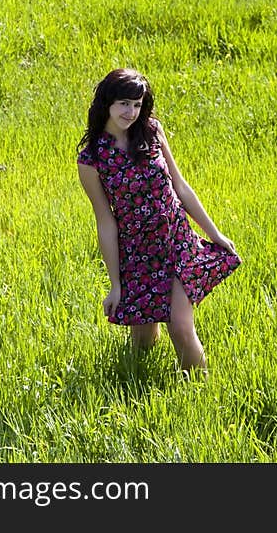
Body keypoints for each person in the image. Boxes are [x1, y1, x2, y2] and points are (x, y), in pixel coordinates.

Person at [76, 68, 241, 375]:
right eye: (124, 103)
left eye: (137, 105)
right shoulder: (91, 159)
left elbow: (181, 187)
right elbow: (106, 222)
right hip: (137, 253)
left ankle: (200, 392)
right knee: (143, 339)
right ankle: (135, 380)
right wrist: (115, 284)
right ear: (107, 103)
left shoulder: (152, 131)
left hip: (176, 241)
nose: (131, 112)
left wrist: (214, 233)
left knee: (180, 326)